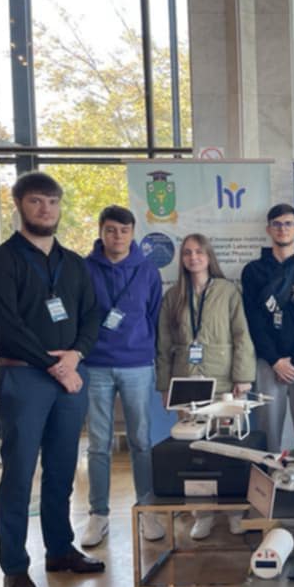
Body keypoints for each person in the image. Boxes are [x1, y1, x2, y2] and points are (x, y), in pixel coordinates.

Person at [0, 170, 104, 587]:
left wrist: (76, 355)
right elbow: (8, 327)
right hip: (24, 377)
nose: (45, 209)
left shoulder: (73, 263)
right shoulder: (1, 261)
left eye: (52, 202)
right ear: (19, 205)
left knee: (62, 469)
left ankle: (59, 549)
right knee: (18, 474)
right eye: (36, 201)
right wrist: (55, 366)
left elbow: (92, 314)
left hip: (68, 375)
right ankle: (15, 567)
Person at [156, 234, 256, 539]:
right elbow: (164, 344)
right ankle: (203, 514)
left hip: (223, 381)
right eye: (187, 253)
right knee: (195, 453)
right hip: (186, 383)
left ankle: (236, 511)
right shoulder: (173, 296)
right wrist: (165, 386)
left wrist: (242, 376)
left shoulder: (228, 291)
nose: (193, 257)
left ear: (209, 256)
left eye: (199, 252)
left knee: (229, 448)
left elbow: (241, 335)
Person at [80, 205, 166, 548]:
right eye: (111, 230)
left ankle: (147, 509)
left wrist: (150, 355)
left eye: (124, 231)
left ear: (133, 233)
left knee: (141, 441)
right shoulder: (84, 269)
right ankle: (98, 514)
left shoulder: (148, 270)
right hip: (95, 365)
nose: (118, 236)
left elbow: (154, 315)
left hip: (137, 365)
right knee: (98, 443)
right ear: (101, 231)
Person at [241, 204, 294, 453]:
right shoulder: (253, 271)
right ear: (268, 229)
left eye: (288, 223)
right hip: (268, 363)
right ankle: (268, 477)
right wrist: (275, 360)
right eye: (276, 224)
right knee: (267, 438)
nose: (282, 229)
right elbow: (253, 321)